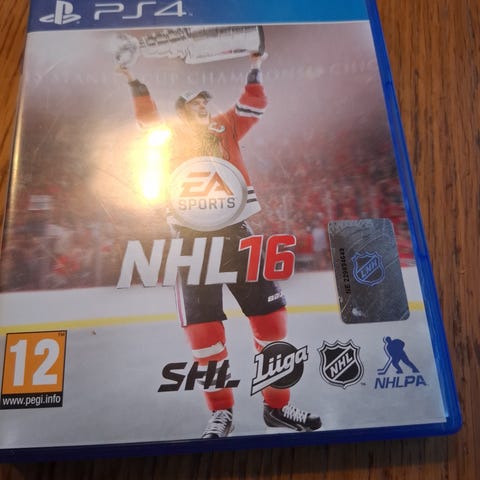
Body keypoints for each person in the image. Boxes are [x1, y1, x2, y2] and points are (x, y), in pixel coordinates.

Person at [117, 53, 321, 438]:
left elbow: (253, 102)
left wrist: (256, 65)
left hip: (235, 232)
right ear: (182, 110)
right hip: (190, 239)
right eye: (195, 102)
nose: (203, 106)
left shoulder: (224, 125)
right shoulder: (169, 136)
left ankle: (277, 407)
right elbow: (147, 121)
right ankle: (221, 412)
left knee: (272, 322)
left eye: (205, 101)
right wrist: (133, 80)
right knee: (203, 334)